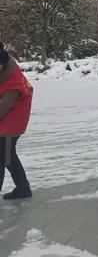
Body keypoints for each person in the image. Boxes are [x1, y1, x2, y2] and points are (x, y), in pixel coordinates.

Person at [0, 43, 33, 199]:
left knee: (2, 156)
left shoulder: (12, 83)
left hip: (12, 121)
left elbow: (2, 108)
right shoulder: (5, 68)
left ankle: (23, 187)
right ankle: (23, 187)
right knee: (8, 156)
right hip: (8, 118)